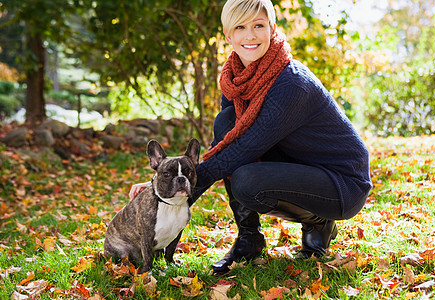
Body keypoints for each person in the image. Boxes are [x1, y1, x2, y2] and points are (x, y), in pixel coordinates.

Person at [129, 0, 372, 274]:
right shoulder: (236, 79)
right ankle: (250, 238)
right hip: (300, 162)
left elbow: (244, 149)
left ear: (272, 28)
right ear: (227, 35)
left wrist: (172, 191)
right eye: (240, 27)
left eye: (258, 26)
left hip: (341, 182)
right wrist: (161, 186)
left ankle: (320, 220)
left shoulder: (291, 83)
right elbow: (224, 145)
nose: (250, 35)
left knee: (246, 180)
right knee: (226, 122)